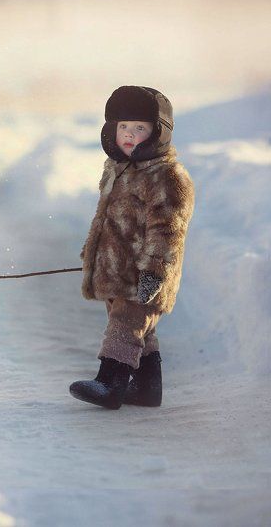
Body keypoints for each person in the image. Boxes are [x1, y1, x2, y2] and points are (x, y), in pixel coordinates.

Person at [70, 86, 195, 409]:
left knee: (124, 327)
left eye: (140, 127)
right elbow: (104, 218)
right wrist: (93, 252)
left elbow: (168, 231)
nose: (129, 134)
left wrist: (154, 272)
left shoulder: (166, 176)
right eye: (123, 126)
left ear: (158, 133)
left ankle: (109, 383)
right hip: (117, 270)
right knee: (140, 331)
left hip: (145, 274)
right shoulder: (118, 168)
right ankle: (146, 387)